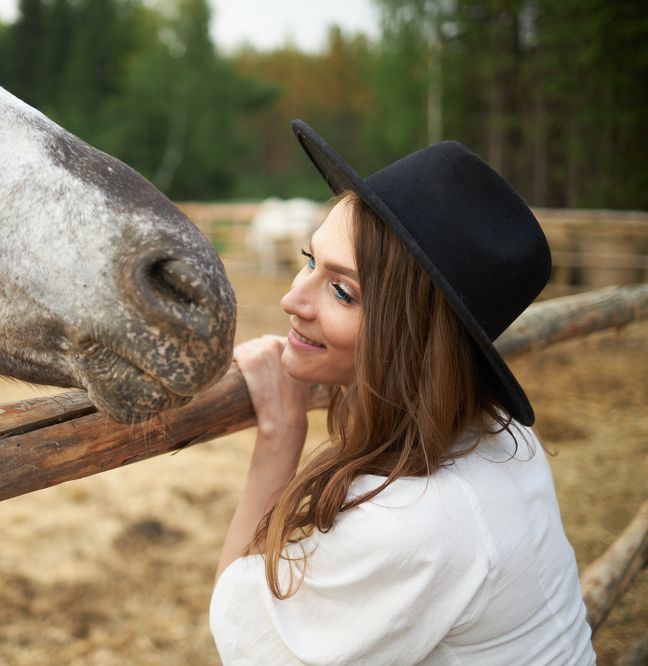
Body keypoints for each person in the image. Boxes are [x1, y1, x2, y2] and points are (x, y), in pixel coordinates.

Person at [209, 120, 595, 665]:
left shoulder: (411, 524)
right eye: (309, 260)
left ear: (415, 336)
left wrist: (279, 435)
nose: (293, 299)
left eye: (343, 291)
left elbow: (247, 638)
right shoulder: (504, 442)